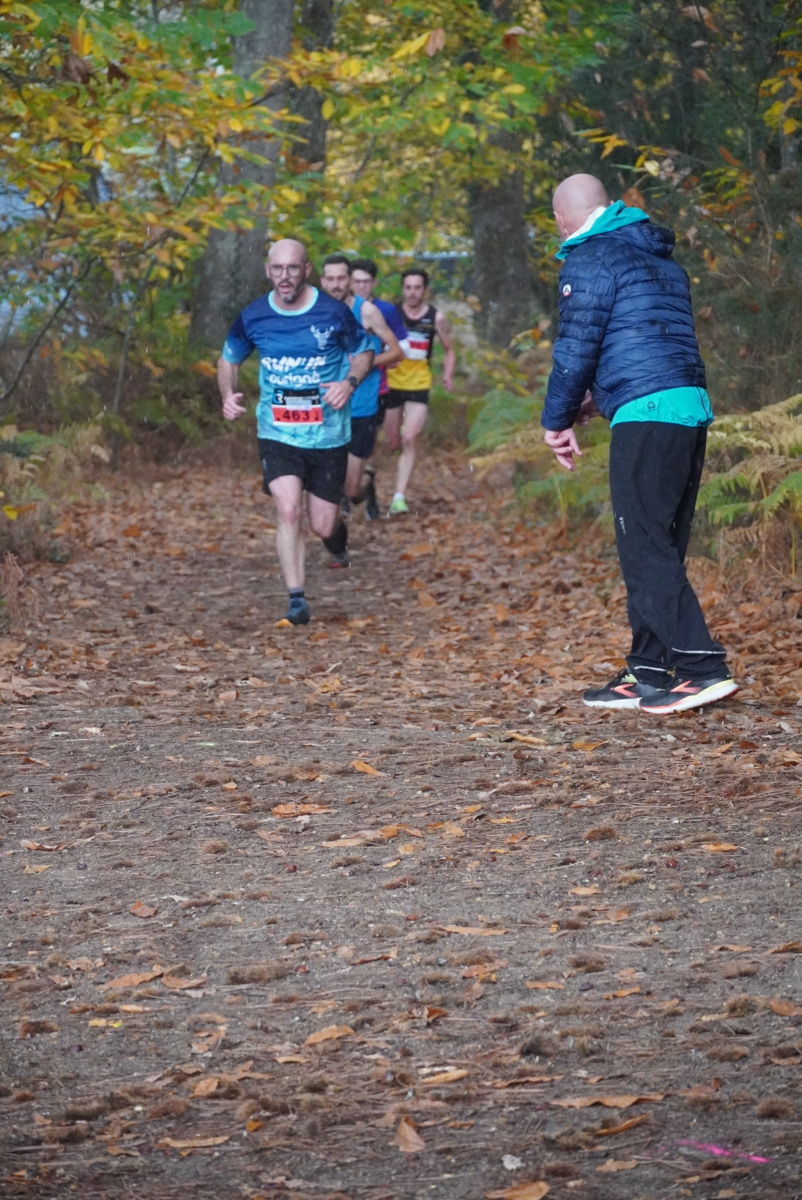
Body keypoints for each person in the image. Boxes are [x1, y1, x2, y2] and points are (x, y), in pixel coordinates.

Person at [541, 173, 738, 714]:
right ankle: (649, 669)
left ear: (561, 219)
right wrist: (597, 401)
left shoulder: (589, 257)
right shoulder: (659, 258)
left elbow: (575, 351)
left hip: (647, 414)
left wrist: (556, 419)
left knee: (644, 545)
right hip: (686, 407)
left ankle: (702, 668)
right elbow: (645, 344)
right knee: (658, 544)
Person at [217, 238, 373, 626]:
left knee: (322, 524)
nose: (284, 276)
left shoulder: (333, 312)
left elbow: (364, 352)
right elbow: (228, 359)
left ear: (306, 270)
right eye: (277, 268)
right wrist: (227, 394)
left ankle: (336, 537)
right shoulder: (254, 315)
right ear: (267, 271)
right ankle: (296, 600)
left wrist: (349, 383)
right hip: (278, 432)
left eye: (292, 268)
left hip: (327, 435)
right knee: (288, 509)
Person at [318, 255, 405, 524]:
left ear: (349, 281)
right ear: (322, 281)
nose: (335, 284)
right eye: (330, 279)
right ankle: (331, 532)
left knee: (350, 489)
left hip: (361, 405)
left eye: (341, 278)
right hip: (326, 405)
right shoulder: (314, 310)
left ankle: (366, 484)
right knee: (326, 478)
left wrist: (364, 364)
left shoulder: (366, 311)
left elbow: (397, 352)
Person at [384, 267, 456, 514]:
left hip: (419, 384)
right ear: (402, 289)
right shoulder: (390, 314)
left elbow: (449, 350)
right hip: (391, 383)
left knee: (409, 438)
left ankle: (399, 497)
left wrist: (447, 375)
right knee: (392, 442)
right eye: (408, 287)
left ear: (425, 290)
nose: (412, 292)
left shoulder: (436, 318)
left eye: (417, 288)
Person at [349, 257, 410, 516]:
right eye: (356, 282)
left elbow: (402, 348)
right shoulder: (338, 308)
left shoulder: (385, 311)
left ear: (374, 283)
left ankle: (367, 487)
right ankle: (350, 490)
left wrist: (370, 362)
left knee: (367, 445)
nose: (361, 287)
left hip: (378, 387)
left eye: (366, 282)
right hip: (343, 390)